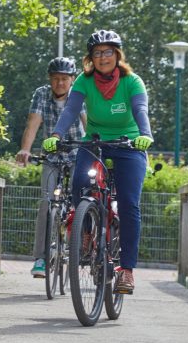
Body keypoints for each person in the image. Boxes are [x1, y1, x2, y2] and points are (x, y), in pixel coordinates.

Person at [43, 29, 152, 294]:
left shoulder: (132, 81)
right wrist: (56, 134)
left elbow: (140, 109)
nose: (102, 57)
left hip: (129, 145)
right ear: (90, 58)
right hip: (94, 142)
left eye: (107, 52)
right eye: (97, 53)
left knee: (128, 204)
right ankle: (87, 228)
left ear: (117, 55)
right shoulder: (83, 80)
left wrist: (145, 134)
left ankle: (126, 270)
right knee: (80, 184)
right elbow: (71, 109)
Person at [14, 56, 85, 278]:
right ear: (50, 79)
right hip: (52, 157)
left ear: (72, 79)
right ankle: (41, 259)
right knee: (46, 203)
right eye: (55, 79)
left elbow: (87, 122)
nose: (60, 83)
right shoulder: (41, 94)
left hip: (77, 155)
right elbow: (33, 123)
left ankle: (79, 248)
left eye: (64, 79)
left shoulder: (79, 93)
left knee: (80, 201)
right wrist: (25, 149)